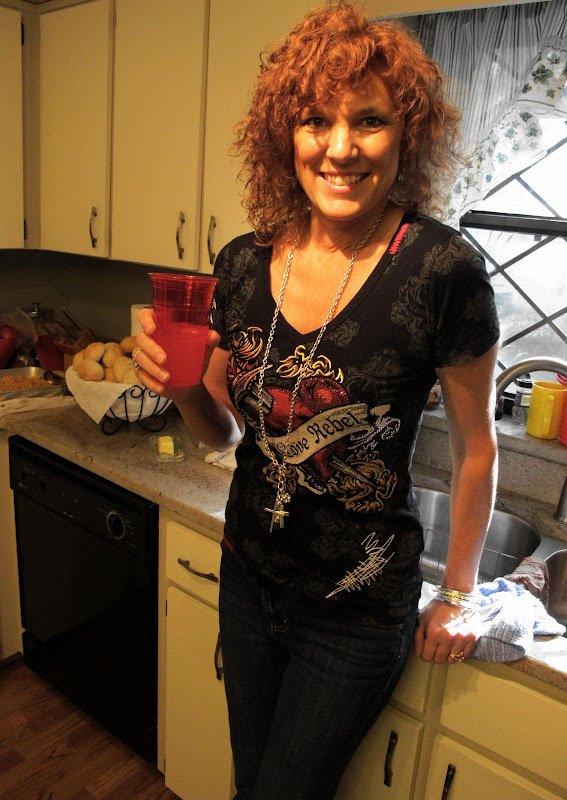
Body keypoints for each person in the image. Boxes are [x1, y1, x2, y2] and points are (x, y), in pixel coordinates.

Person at [134, 4, 499, 798]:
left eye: (369, 120)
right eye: (315, 121)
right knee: (251, 783)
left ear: (405, 135)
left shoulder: (442, 270)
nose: (340, 147)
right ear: (285, 135)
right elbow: (223, 435)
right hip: (247, 577)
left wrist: (459, 593)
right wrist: (178, 386)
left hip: (355, 611)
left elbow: (479, 449)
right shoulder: (242, 262)